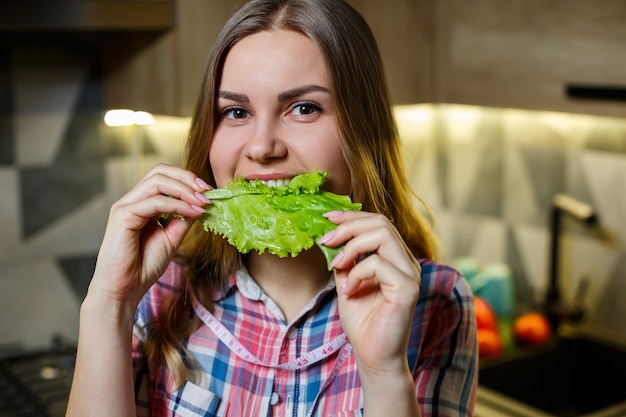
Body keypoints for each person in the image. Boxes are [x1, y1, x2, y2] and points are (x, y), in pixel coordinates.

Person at [66, 0, 477, 416]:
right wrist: (108, 304)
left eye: (303, 108)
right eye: (236, 111)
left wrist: (384, 372)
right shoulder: (158, 289)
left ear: (364, 129)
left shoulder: (434, 300)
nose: (262, 147)